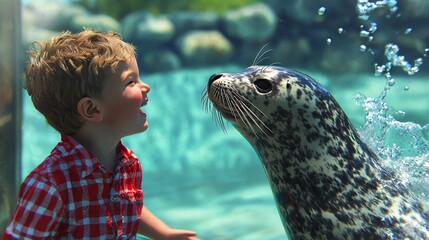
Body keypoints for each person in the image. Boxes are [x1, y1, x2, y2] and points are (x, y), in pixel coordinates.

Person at [3, 29, 198, 240]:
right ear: (92, 110)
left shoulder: (127, 165)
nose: (146, 87)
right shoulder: (50, 185)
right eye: (131, 81)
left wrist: (163, 233)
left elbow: (122, 207)